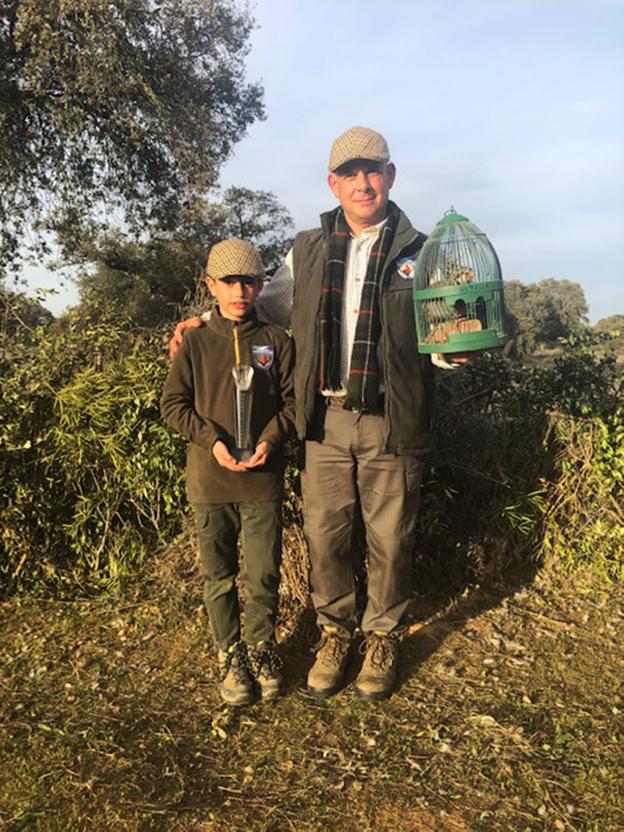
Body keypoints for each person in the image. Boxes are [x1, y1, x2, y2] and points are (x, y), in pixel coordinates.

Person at [170, 127, 458, 702]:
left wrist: (459, 349)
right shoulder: (305, 249)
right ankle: (334, 632)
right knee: (326, 537)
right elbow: (258, 310)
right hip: (322, 422)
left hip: (392, 419)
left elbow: (445, 333)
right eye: (349, 173)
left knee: (391, 538)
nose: (362, 182)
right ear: (333, 183)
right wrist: (203, 320)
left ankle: (382, 638)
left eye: (372, 170)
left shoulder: (422, 252)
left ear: (391, 175)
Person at [161, 238, 295, 705]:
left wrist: (270, 439)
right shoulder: (195, 341)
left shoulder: (276, 342)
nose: (240, 291)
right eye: (229, 282)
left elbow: (294, 405)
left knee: (262, 572)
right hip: (210, 480)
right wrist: (211, 441)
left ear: (261, 285)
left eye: (249, 281)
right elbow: (172, 405)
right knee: (218, 575)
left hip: (262, 479)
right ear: (211, 285)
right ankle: (229, 652)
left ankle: (261, 647)